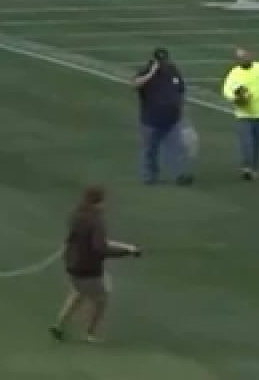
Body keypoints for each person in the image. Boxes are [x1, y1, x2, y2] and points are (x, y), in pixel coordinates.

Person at [50, 186, 139, 343]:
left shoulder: (76, 216)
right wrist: (127, 252)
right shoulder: (96, 221)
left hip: (72, 265)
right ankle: (89, 333)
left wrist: (126, 248)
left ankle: (59, 324)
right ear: (99, 202)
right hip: (88, 268)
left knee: (78, 294)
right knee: (100, 299)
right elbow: (101, 248)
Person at [130, 47, 191, 185]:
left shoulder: (173, 71)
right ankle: (149, 176)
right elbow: (134, 84)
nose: (163, 63)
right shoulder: (146, 72)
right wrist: (151, 73)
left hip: (172, 119)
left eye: (164, 60)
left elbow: (181, 90)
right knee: (150, 150)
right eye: (159, 61)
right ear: (153, 60)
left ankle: (180, 175)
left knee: (176, 148)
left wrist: (183, 109)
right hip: (151, 120)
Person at [222, 48, 259, 181]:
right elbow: (227, 90)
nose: (243, 59)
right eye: (240, 57)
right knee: (247, 142)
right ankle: (246, 168)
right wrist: (236, 98)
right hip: (244, 115)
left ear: (251, 56)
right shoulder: (234, 73)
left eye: (245, 56)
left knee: (258, 144)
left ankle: (254, 168)